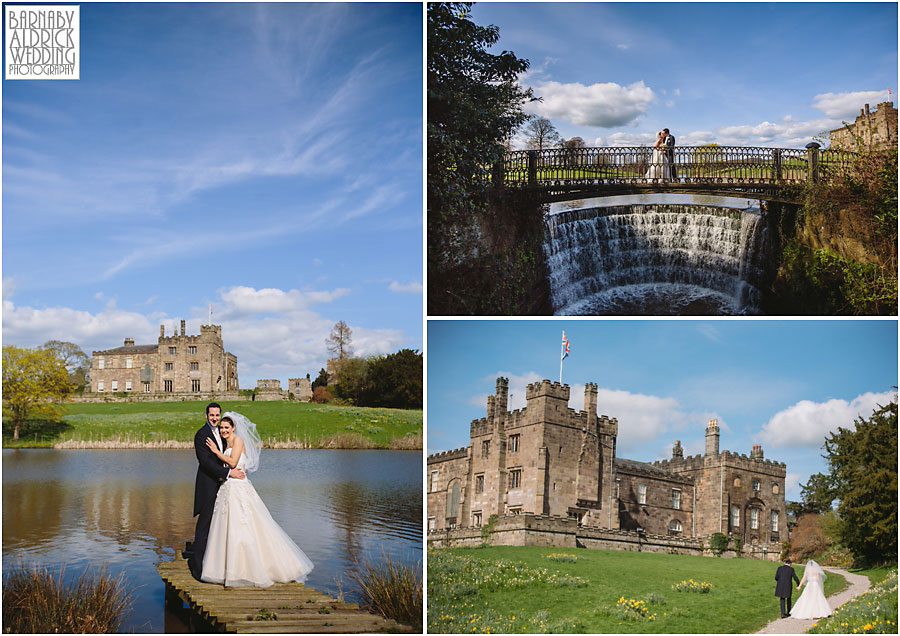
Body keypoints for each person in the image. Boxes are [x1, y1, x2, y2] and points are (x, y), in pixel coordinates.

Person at [201, 413, 314, 587]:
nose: (223, 430)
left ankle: (254, 569)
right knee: (227, 527)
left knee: (246, 526)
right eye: (221, 427)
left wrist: (216, 452)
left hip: (239, 488)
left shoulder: (237, 441)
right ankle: (227, 569)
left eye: (226, 427)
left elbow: (232, 462)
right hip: (228, 487)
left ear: (233, 428)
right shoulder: (226, 442)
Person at [188, 403, 245, 581]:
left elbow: (231, 457)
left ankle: (220, 566)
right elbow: (205, 462)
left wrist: (233, 470)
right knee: (204, 527)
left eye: (217, 415)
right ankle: (198, 570)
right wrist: (229, 472)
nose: (214, 418)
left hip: (224, 487)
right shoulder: (201, 435)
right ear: (206, 415)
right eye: (211, 415)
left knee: (222, 527)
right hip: (208, 486)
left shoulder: (223, 434)